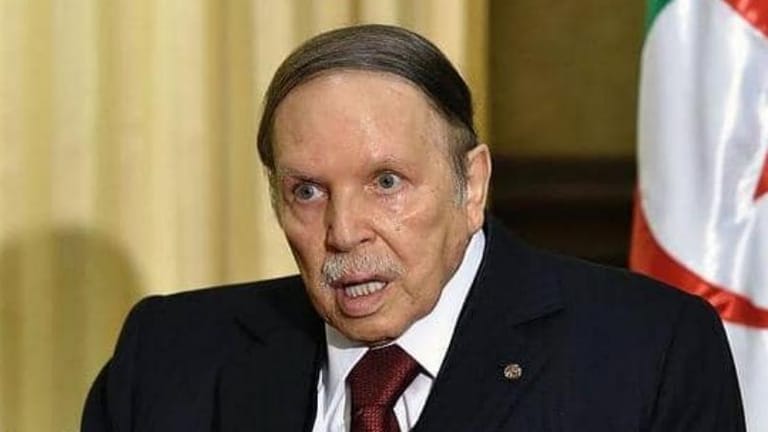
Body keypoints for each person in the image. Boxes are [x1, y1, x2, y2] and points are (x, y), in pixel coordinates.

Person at [82, 24, 745, 431]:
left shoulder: (645, 352)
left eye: (386, 183)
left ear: (472, 184)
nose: (344, 232)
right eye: (307, 191)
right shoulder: (167, 359)